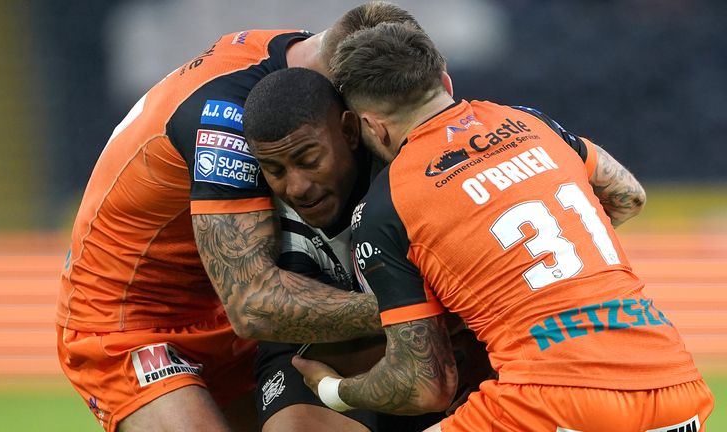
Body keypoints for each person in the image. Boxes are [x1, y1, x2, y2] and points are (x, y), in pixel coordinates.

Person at [293, 22, 715, 431]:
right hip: (678, 388)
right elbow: (629, 196)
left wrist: (335, 390)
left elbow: (425, 387)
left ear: (371, 125)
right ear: (445, 81)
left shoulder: (386, 204)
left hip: (553, 400)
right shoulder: (531, 123)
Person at [55, 3, 421, 431]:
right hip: (132, 324)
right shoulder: (225, 119)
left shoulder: (303, 55)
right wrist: (410, 307)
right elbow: (254, 306)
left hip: (224, 302)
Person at [243, 67, 485, 431]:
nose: (297, 187)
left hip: (448, 335)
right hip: (340, 343)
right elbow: (261, 314)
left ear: (349, 131)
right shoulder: (258, 217)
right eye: (275, 168)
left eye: (310, 160)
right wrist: (407, 312)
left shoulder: (410, 175)